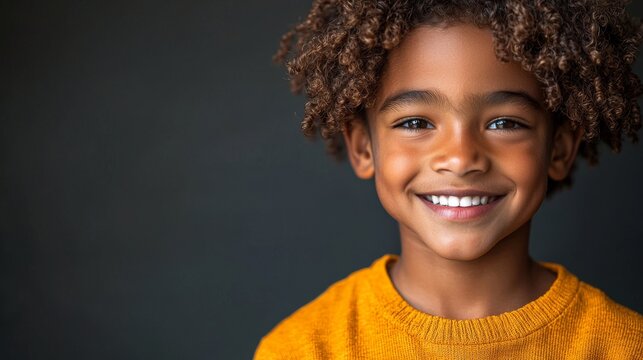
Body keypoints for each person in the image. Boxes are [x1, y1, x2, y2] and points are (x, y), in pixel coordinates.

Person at [255, 1, 643, 358]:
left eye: (505, 123)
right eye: (415, 123)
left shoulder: (623, 347)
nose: (460, 159)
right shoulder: (304, 348)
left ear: (558, 149)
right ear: (363, 148)